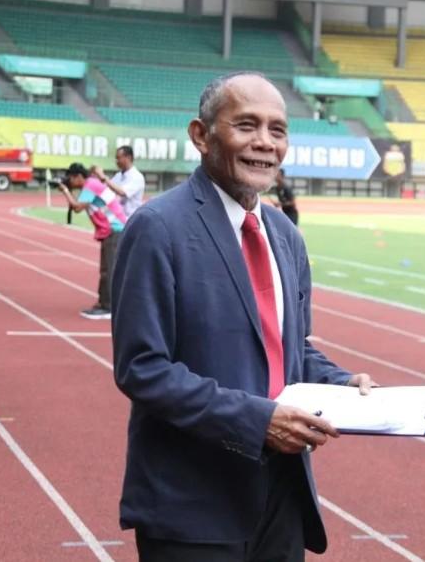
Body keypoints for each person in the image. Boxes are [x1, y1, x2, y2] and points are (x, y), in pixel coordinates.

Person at [110, 72, 375, 561]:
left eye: (278, 130)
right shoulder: (157, 228)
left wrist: (341, 383)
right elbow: (142, 368)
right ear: (201, 135)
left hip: (282, 493)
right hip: (193, 502)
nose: (264, 143)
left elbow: (289, 347)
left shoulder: (285, 236)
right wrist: (259, 422)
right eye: (246, 125)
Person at [57, 162, 127, 320]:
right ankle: (103, 303)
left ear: (79, 177)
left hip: (114, 229)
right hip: (112, 229)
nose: (70, 182)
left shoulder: (90, 185)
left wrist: (65, 191)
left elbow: (77, 207)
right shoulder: (92, 184)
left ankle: (108, 307)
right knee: (106, 269)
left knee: (108, 270)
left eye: (71, 179)